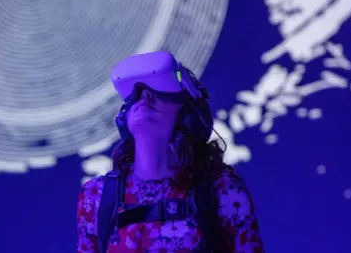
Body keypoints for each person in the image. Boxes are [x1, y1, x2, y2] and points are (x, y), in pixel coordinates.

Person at [77, 51, 263, 252]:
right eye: (134, 93)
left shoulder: (221, 187)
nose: (144, 96)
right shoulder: (97, 196)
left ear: (189, 114)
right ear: (125, 118)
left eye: (159, 88)